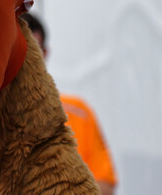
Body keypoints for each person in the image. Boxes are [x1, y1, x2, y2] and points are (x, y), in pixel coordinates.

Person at [25, 13, 120, 195]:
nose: (27, 58)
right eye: (20, 49)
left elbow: (106, 186)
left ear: (45, 54)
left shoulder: (78, 112)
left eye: (34, 49)